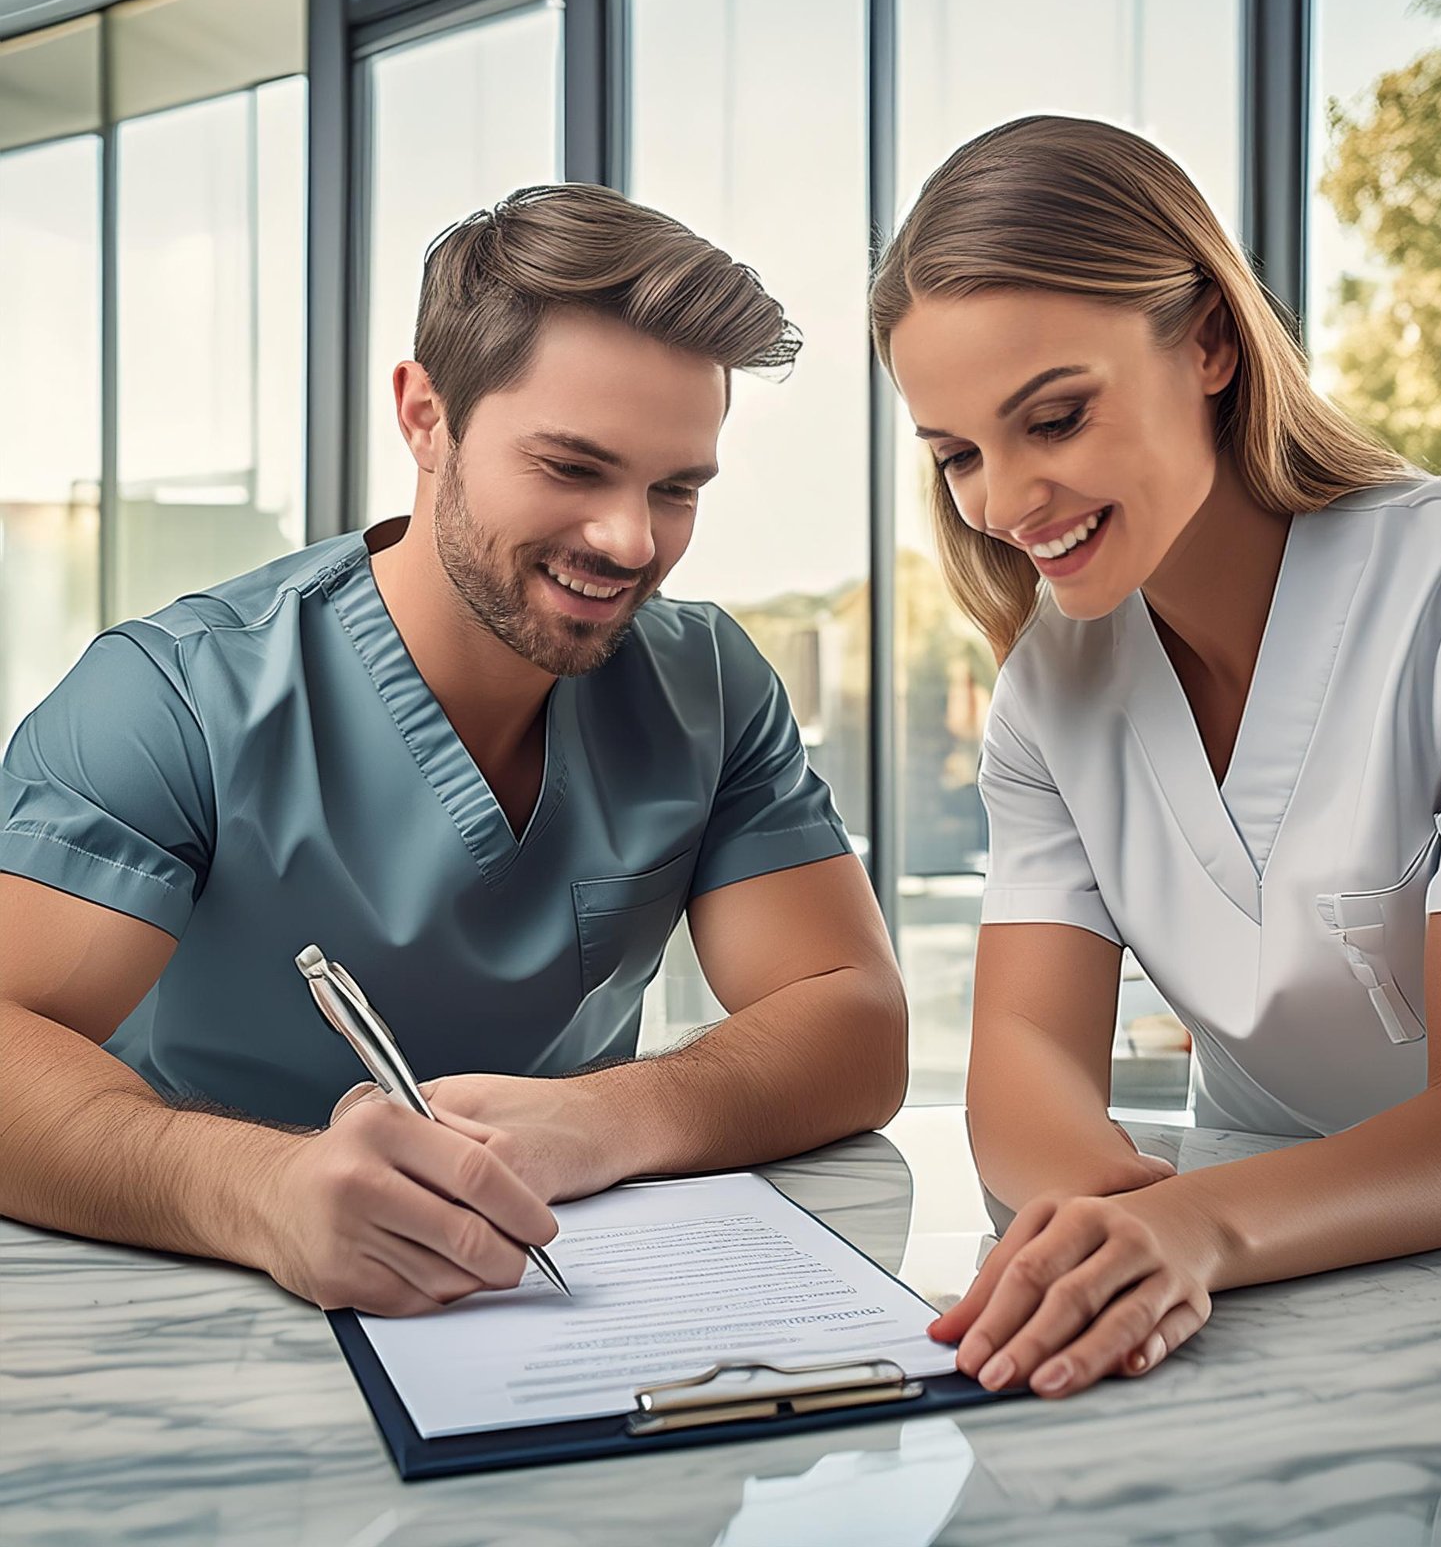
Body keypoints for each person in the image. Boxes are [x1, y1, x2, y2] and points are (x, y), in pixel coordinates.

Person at [0, 184, 907, 1317]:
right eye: (573, 468)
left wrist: (606, 1117)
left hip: (554, 1303)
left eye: (674, 488)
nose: (631, 539)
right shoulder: (169, 695)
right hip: (198, 1311)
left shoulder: (708, 685)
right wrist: (261, 1190)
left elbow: (854, 1023)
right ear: (425, 416)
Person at [870, 115, 1441, 1402]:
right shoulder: (1051, 690)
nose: (1004, 501)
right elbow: (1027, 1062)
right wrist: (1090, 1232)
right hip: (1266, 1301)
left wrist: (1189, 1229)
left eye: (1054, 417)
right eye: (959, 456)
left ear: (1209, 340)